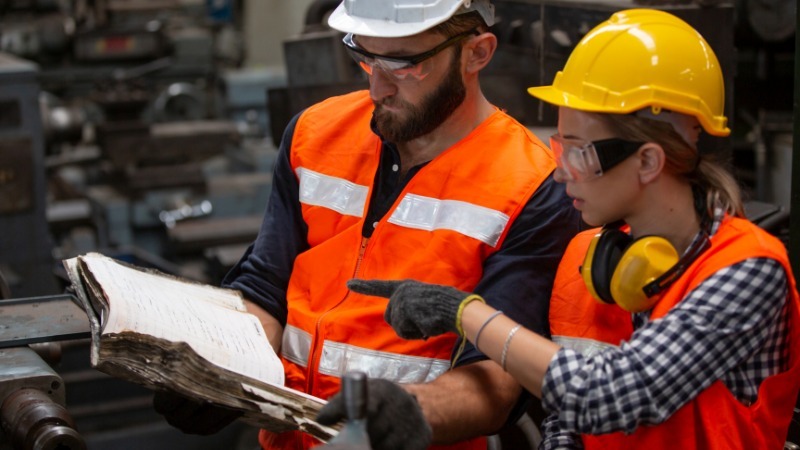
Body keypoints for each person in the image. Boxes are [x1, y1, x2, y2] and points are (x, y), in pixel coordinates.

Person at [344, 8, 800, 449]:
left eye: (579, 151)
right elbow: (565, 419)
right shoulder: (593, 257)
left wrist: (468, 314)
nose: (561, 173)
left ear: (647, 160)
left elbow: (609, 396)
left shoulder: (747, 271)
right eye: (560, 145)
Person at [154, 0, 581, 449]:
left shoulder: (532, 185)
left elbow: (497, 380)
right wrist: (224, 369)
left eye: (403, 65)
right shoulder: (315, 134)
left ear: (477, 53)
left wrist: (408, 411)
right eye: (365, 57)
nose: (378, 87)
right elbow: (267, 286)